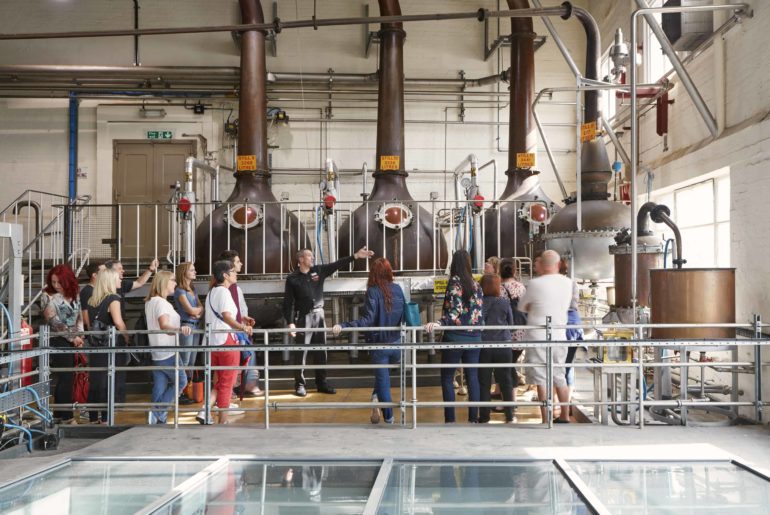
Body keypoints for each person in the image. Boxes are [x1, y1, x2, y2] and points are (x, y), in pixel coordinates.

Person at [283, 246, 374, 397]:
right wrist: (290, 322)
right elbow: (287, 303)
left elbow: (336, 264)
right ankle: (299, 385)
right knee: (301, 352)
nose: (312, 258)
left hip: (319, 316)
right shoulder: (292, 278)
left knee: (321, 352)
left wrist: (355, 256)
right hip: (304, 317)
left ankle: (322, 383)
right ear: (301, 259)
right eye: (309, 256)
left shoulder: (318, 271)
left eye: (312, 256)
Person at [332, 258, 405, 424]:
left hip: (379, 346)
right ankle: (374, 397)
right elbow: (404, 316)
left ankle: (389, 418)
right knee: (383, 378)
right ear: (389, 272)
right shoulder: (398, 289)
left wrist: (345, 325)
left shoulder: (372, 291)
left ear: (373, 274)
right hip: (397, 344)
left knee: (383, 381)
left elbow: (367, 320)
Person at [425, 249, 483, 423]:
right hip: (475, 337)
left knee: (448, 377)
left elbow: (455, 310)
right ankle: (474, 418)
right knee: (472, 376)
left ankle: (450, 419)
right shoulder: (476, 284)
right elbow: (479, 312)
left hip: (455, 336)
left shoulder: (455, 283)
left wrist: (440, 323)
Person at [518, 249, 574, 423]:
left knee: (541, 377)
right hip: (558, 334)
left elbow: (522, 306)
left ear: (542, 264)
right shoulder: (568, 283)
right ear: (558, 265)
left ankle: (546, 418)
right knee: (559, 375)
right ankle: (564, 416)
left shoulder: (535, 284)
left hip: (538, 335)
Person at [198, 260, 253, 425]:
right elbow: (227, 317)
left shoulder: (211, 293)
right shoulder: (224, 292)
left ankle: (204, 411)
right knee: (227, 383)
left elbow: (222, 316)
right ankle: (223, 420)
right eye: (233, 271)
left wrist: (241, 319)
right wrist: (243, 327)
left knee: (219, 382)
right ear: (225, 275)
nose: (236, 273)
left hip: (212, 342)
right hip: (226, 342)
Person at [145, 271, 191, 424]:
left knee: (160, 386)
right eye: (172, 280)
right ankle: (158, 411)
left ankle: (158, 417)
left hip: (157, 351)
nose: (175, 283)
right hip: (168, 351)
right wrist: (179, 330)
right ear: (164, 282)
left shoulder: (150, 302)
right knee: (181, 381)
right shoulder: (162, 303)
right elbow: (164, 324)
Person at [41, 264, 84, 422]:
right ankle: (66, 415)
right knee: (65, 377)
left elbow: (79, 315)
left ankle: (60, 415)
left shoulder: (75, 293)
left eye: (59, 282)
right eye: (53, 282)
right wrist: (73, 337)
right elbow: (55, 322)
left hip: (75, 338)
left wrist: (81, 334)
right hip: (57, 339)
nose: (56, 286)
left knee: (69, 377)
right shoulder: (47, 296)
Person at [86, 268, 128, 424]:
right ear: (110, 281)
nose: (120, 280)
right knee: (108, 380)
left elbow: (88, 323)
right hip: (110, 345)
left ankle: (92, 417)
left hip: (95, 345)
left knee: (96, 380)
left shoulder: (92, 300)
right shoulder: (113, 299)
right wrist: (126, 336)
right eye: (118, 278)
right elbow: (118, 322)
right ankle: (105, 417)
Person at [219, 250, 261, 397]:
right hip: (232, 332)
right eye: (237, 262)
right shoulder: (223, 290)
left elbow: (237, 310)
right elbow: (226, 313)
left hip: (238, 329)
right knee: (237, 360)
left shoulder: (235, 287)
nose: (241, 264)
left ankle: (245, 385)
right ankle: (231, 390)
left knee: (247, 356)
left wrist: (244, 318)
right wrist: (240, 326)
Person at [477, 273, 515, 424]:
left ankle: (484, 416)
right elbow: (511, 325)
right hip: (503, 345)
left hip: (484, 346)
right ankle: (510, 415)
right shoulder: (504, 302)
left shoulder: (479, 302)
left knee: (484, 382)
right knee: (506, 380)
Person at [174, 261, 203, 404]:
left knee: (192, 360)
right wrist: (196, 312)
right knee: (185, 360)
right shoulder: (179, 290)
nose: (195, 271)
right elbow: (191, 310)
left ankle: (187, 389)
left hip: (196, 326)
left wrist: (196, 312)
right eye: (192, 270)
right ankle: (179, 392)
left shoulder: (192, 288)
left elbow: (200, 307)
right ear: (184, 272)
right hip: (187, 326)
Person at [80, 261, 104, 329]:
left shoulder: (98, 290)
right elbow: (84, 312)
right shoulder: (87, 291)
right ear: (95, 275)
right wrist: (89, 332)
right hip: (94, 331)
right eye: (104, 271)